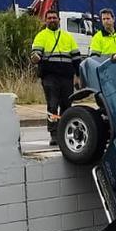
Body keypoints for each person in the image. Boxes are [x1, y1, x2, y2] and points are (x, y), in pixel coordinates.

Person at [31, 10, 82, 146]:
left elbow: (76, 58)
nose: (52, 20)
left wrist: (78, 76)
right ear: (45, 20)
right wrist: (36, 57)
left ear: (59, 20)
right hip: (50, 76)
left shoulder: (68, 37)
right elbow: (36, 53)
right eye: (49, 18)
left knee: (66, 105)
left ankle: (63, 132)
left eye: (54, 18)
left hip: (66, 76)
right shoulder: (41, 36)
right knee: (52, 105)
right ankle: (54, 134)